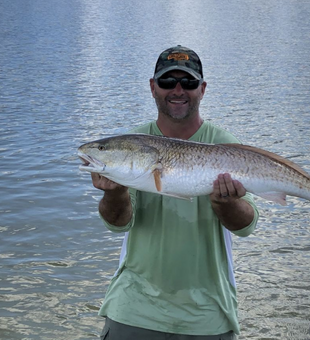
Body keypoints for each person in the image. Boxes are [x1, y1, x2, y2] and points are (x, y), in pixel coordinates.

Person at [91, 45, 259, 340]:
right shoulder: (133, 144)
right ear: (153, 87)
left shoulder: (225, 144)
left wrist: (226, 204)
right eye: (168, 82)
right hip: (133, 309)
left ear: (202, 89)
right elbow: (118, 224)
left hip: (208, 314)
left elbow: (246, 225)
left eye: (188, 82)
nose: (178, 90)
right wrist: (114, 194)